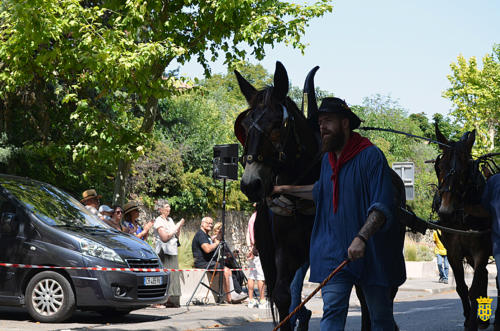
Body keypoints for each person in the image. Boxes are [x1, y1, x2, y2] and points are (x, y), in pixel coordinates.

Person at [273, 97, 405, 330]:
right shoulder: (327, 160)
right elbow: (321, 191)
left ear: (345, 123)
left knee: (380, 319)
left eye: (328, 121)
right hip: (336, 255)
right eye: (320, 122)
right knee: (332, 313)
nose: (322, 127)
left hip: (372, 254)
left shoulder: (371, 156)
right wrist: (284, 190)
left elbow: (381, 205)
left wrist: (361, 238)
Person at [191, 216, 247, 304]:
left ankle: (235, 293)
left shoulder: (206, 235)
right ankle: (230, 297)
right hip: (203, 263)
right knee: (226, 270)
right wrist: (216, 243)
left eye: (211, 223)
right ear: (202, 223)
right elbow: (207, 249)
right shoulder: (200, 235)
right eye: (208, 223)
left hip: (210, 261)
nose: (210, 225)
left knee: (231, 269)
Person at [153, 199, 185, 308]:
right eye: (166, 207)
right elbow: (165, 237)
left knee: (173, 276)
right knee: (164, 276)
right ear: (160, 209)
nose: (169, 209)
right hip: (163, 252)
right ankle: (157, 301)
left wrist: (178, 227)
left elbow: (176, 235)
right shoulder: (158, 221)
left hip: (172, 251)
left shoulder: (170, 220)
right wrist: (177, 226)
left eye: (169, 207)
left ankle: (171, 300)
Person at [245, 205, 269, 309]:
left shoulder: (252, 217)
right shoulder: (259, 218)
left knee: (252, 275)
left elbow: (247, 234)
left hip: (252, 248)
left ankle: (250, 300)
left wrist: (250, 247)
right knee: (261, 275)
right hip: (259, 248)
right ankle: (262, 300)